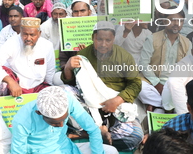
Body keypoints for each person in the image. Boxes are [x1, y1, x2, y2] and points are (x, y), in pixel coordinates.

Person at [61, 21, 143, 152]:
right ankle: (94, 132)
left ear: (113, 39)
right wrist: (68, 68)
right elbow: (72, 84)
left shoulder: (124, 56)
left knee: (135, 137)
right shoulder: (83, 54)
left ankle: (90, 133)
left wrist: (117, 100)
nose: (103, 44)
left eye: (108, 40)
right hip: (89, 105)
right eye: (99, 39)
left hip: (114, 107)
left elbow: (136, 84)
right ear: (93, 38)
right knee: (62, 93)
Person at [11, 86, 118, 154]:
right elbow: (19, 151)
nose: (62, 126)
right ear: (39, 113)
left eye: (64, 119)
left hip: (67, 147)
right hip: (40, 151)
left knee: (111, 151)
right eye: (55, 123)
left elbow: (93, 130)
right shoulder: (22, 121)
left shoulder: (68, 100)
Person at [0, 17, 56, 98]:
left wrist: (49, 90)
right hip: (15, 85)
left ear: (39, 34)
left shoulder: (47, 45)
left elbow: (50, 72)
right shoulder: (13, 42)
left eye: (32, 35)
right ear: (21, 32)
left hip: (37, 87)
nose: (28, 38)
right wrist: (10, 81)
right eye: (25, 34)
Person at [139, 11, 192, 111]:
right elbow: (143, 64)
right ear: (164, 21)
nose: (176, 23)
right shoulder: (152, 39)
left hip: (175, 83)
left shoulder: (187, 43)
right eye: (172, 20)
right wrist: (156, 83)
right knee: (140, 87)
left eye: (180, 21)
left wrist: (176, 84)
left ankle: (157, 104)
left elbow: (187, 68)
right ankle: (167, 105)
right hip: (154, 81)